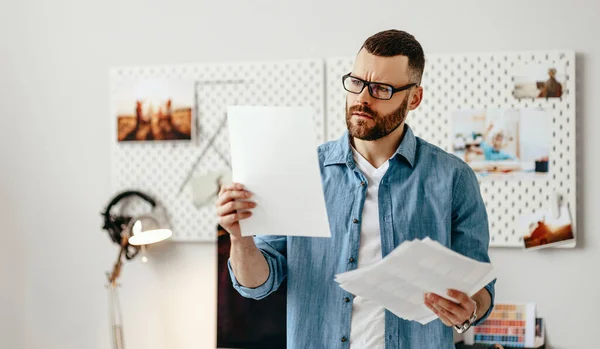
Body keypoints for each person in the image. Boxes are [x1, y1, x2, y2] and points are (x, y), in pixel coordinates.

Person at [216, 29, 496, 349]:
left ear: (414, 98)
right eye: (357, 82)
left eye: (381, 89)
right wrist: (240, 237)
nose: (362, 98)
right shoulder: (300, 170)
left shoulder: (453, 178)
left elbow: (482, 289)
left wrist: (469, 309)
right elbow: (256, 285)